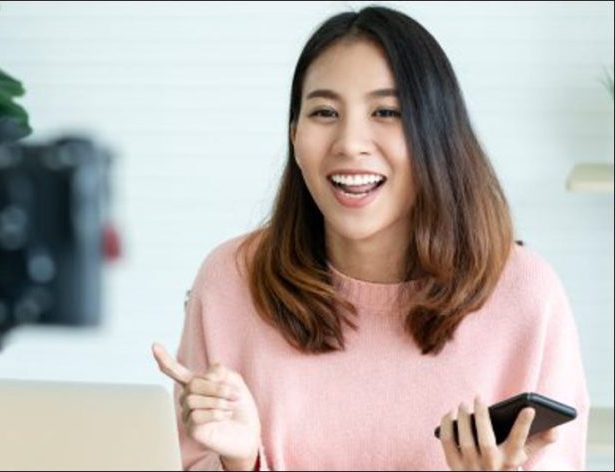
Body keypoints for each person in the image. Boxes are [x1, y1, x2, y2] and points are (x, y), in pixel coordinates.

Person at [151, 6, 590, 471]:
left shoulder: (526, 297)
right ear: (295, 136)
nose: (350, 143)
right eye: (324, 112)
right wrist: (240, 462)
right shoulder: (231, 281)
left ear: (436, 134)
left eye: (386, 111)